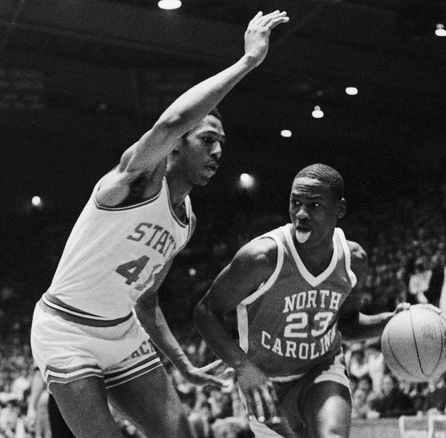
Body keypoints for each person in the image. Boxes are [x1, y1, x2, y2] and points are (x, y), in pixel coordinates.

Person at [29, 11, 290, 438]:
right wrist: (248, 62)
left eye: (222, 143)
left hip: (121, 332)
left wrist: (183, 365)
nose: (218, 150)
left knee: (179, 431)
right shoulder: (135, 180)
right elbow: (170, 122)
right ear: (177, 146)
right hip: (66, 330)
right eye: (207, 139)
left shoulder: (185, 221)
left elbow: (146, 300)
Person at [194, 164, 410, 438]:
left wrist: (390, 321)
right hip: (266, 381)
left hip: (321, 369)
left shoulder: (353, 261)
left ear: (339, 209)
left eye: (314, 205)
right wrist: (242, 366)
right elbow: (205, 312)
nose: (301, 214)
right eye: (295, 202)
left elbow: (346, 324)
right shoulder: (262, 258)